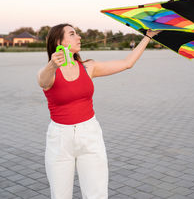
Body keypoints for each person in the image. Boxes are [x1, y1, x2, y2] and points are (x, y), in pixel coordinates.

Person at [37, 23, 160, 199]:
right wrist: (52, 65)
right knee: (60, 195)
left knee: (97, 194)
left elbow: (127, 63)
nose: (79, 37)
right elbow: (42, 82)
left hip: (90, 133)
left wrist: (148, 36)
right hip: (60, 139)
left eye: (77, 33)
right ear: (59, 41)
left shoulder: (88, 67)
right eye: (72, 34)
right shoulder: (49, 72)